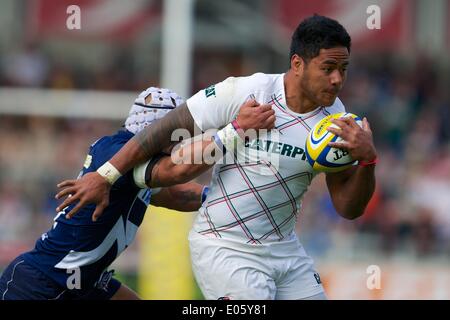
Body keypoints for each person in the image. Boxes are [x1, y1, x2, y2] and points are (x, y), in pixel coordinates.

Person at [55, 15, 377, 300]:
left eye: (343, 69)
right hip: (226, 245)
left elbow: (349, 209)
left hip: (284, 250)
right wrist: (106, 175)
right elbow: (165, 129)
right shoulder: (246, 91)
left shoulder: (336, 124)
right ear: (297, 64)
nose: (337, 79)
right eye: (328, 68)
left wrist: (367, 161)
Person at [0, 86, 274, 300]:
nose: (183, 140)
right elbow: (176, 172)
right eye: (178, 130)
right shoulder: (116, 153)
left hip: (81, 280)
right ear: (159, 130)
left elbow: (173, 194)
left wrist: (227, 200)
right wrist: (236, 131)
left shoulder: (126, 166)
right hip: (43, 282)